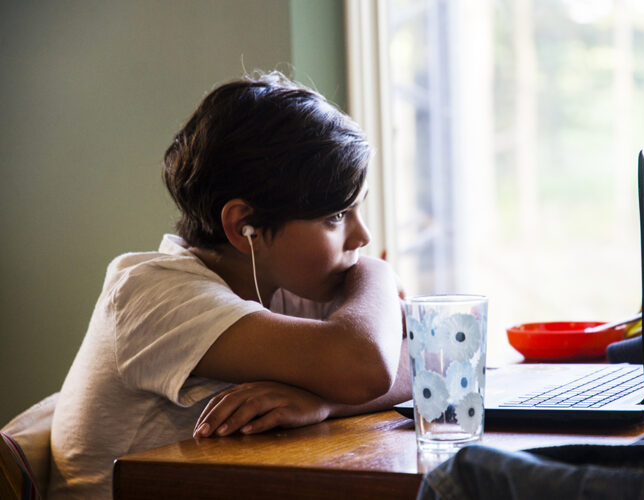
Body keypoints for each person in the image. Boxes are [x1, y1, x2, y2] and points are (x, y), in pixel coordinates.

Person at [48, 71, 411, 499]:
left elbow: (436, 362)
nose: (362, 238)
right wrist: (379, 274)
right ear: (245, 227)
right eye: (335, 217)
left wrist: (326, 403)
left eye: (357, 210)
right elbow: (365, 365)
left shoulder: (288, 280)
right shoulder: (149, 296)